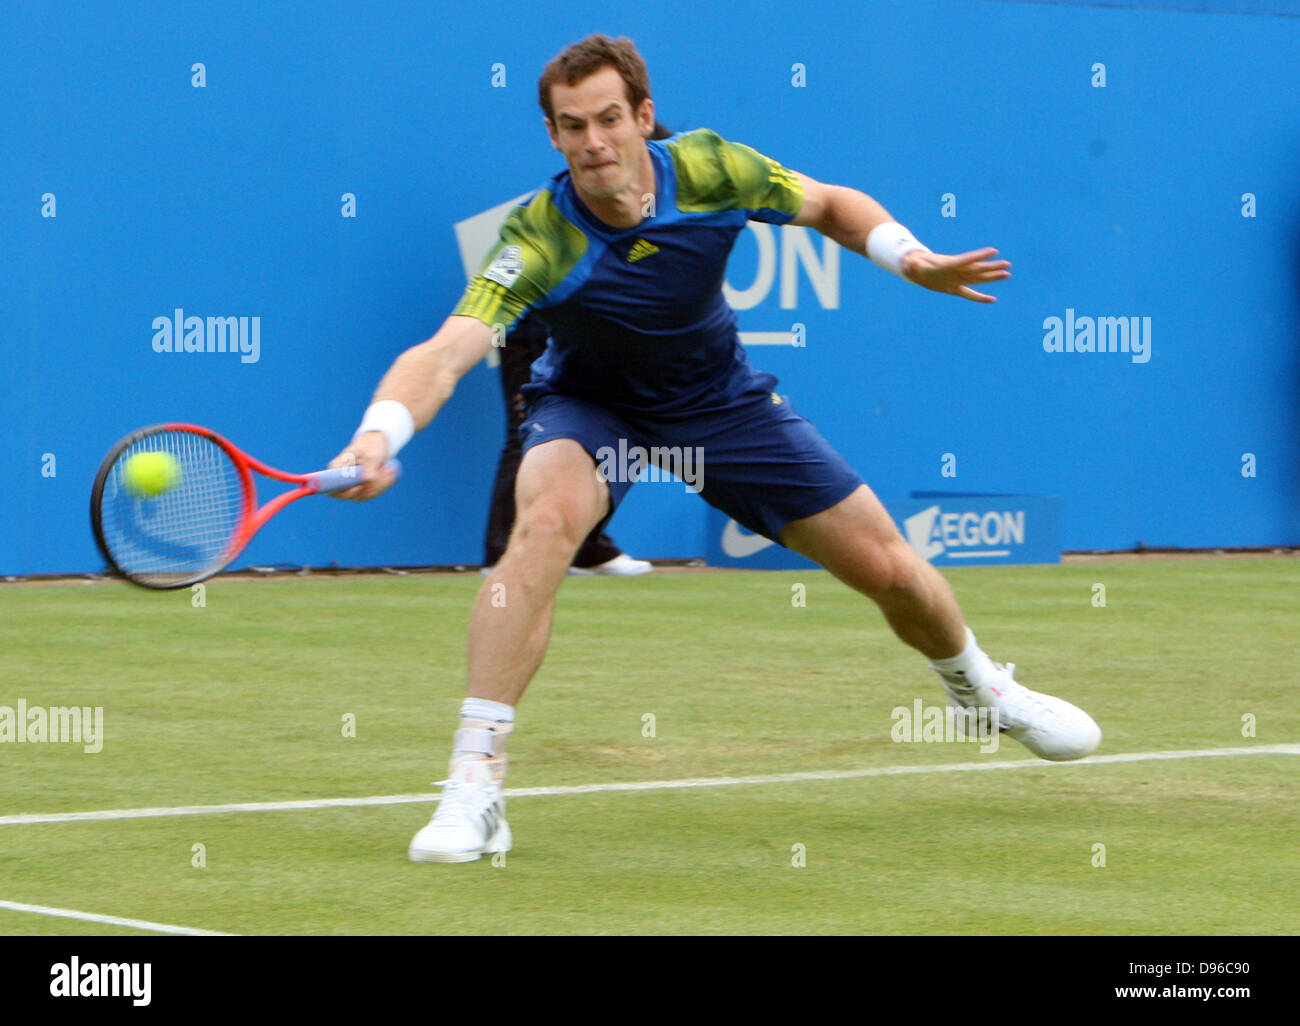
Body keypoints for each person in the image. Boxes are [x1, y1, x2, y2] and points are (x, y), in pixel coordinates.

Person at [331, 34, 1101, 864]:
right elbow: (445, 352)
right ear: (552, 136)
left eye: (608, 119)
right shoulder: (539, 235)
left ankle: (981, 689)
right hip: (594, 410)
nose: (593, 143)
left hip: (718, 404)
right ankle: (475, 783)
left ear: (644, 117)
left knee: (887, 566)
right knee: (544, 528)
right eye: (571, 126)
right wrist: (381, 432)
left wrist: (907, 257)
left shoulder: (709, 170)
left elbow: (832, 204)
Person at [483, 309, 650, 578]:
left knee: (607, 436)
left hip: (582, 335)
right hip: (530, 333)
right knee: (527, 435)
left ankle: (584, 547)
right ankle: (504, 553)